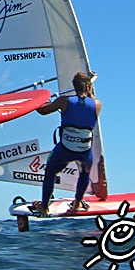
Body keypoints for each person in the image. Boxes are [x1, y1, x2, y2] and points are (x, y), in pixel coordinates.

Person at [31, 71, 100, 216]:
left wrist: (35, 99)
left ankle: (44, 206)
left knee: (50, 172)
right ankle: (77, 202)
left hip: (65, 150)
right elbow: (90, 100)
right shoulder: (97, 104)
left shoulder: (64, 101)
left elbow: (42, 111)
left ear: (74, 87)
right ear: (88, 87)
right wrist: (90, 91)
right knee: (84, 172)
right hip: (84, 152)